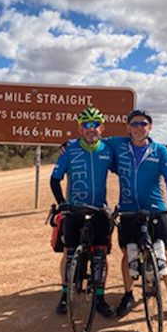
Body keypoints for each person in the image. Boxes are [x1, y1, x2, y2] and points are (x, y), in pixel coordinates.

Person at [105, 110, 167, 321]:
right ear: (127, 127)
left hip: (156, 208)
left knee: (165, 254)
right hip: (129, 210)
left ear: (150, 127)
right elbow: (93, 141)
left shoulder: (160, 151)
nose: (138, 127)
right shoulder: (118, 145)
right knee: (127, 254)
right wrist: (69, 145)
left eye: (143, 124)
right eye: (134, 124)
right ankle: (128, 295)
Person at [50, 107, 115, 318]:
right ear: (80, 128)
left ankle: (100, 297)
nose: (91, 129)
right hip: (74, 208)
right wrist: (61, 203)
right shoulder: (69, 149)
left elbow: (126, 168)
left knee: (100, 254)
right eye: (86, 125)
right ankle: (64, 294)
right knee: (69, 252)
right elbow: (55, 179)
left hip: (99, 208)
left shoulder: (107, 150)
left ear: (102, 128)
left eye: (95, 124)